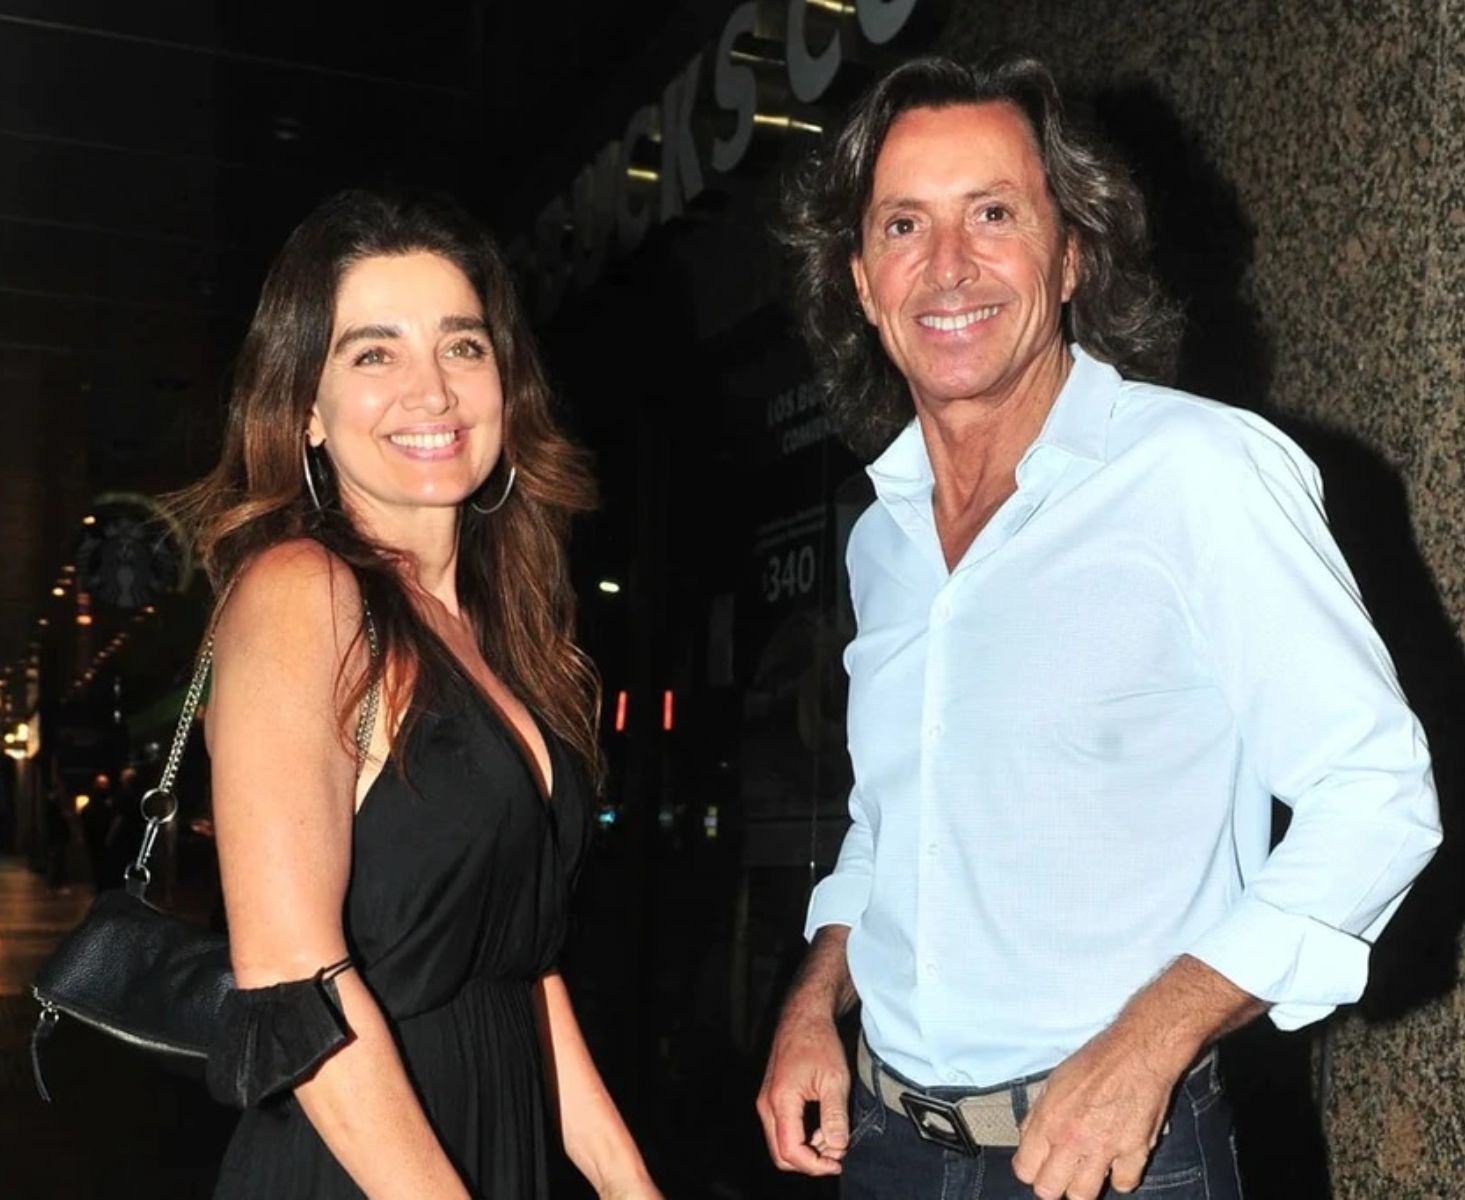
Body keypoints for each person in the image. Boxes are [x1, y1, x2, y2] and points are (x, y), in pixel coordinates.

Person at [754, 52, 1441, 1200]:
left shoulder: (1195, 473)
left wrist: (1150, 1041)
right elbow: (893, 820)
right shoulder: (885, 536)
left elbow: (1375, 795)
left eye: (992, 213)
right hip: (884, 1149)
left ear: (1072, 254)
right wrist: (816, 996)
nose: (947, 265)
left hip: (1116, 1159)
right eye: (904, 225)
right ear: (862, 282)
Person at [166, 188, 663, 1199]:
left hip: (492, 1137)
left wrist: (627, 1184)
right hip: (361, 1161)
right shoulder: (302, 592)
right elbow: (290, 975)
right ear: (305, 408)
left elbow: (517, 967)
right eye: (373, 353)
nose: (430, 391)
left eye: (461, 346)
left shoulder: (492, 626)